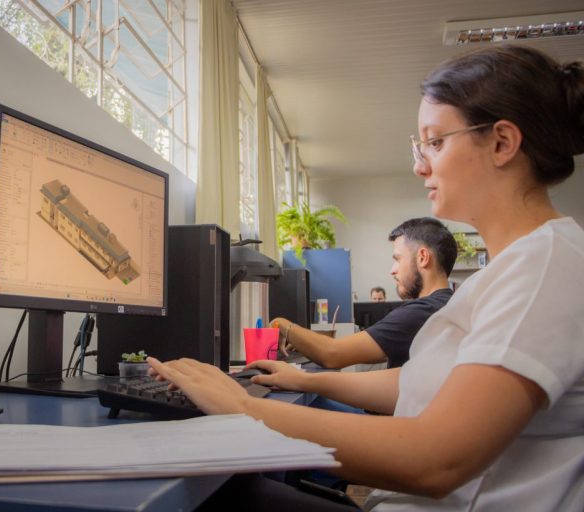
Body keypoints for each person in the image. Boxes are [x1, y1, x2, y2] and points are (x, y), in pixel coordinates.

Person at [149, 45, 584, 511]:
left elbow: (435, 460)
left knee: (214, 498)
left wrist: (243, 409)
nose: (420, 165)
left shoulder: (546, 266)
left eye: (435, 142)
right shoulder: (509, 270)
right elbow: (416, 382)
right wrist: (305, 381)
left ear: (502, 143)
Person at [273, 217, 456, 370]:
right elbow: (375, 351)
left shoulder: (423, 311)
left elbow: (332, 354)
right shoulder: (447, 305)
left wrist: (281, 324)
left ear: (423, 257)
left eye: (398, 259)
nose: (392, 270)